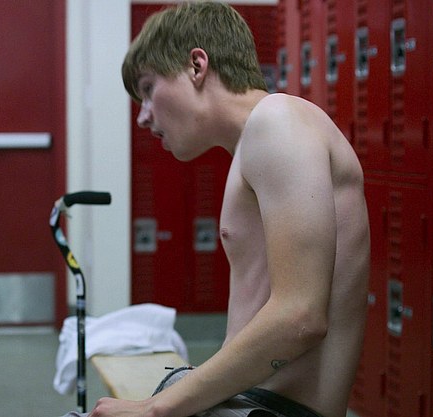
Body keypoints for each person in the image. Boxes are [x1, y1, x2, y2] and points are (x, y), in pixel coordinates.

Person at [65, 2, 371, 417]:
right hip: (251, 403)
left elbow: (300, 316)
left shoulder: (278, 121)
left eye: (149, 89)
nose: (143, 117)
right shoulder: (253, 143)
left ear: (197, 66)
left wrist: (156, 409)